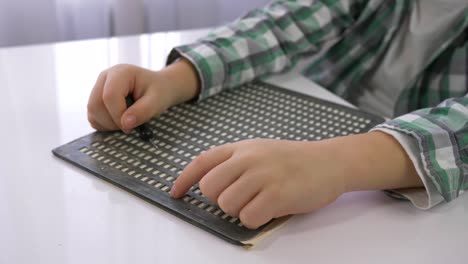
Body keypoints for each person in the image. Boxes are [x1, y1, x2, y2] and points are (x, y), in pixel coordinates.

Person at [87, 0, 467, 229]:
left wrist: (335, 164)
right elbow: (287, 20)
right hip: (318, 112)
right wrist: (176, 78)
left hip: (413, 182)